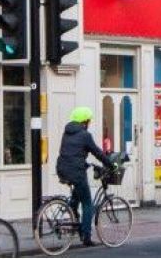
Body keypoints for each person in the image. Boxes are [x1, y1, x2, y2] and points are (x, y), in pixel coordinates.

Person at [56, 106, 112, 248]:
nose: (89, 124)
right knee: (88, 204)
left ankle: (75, 220)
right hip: (76, 172)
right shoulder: (85, 135)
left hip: (63, 169)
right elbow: (97, 152)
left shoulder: (66, 133)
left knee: (76, 198)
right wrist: (110, 164)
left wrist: (85, 164)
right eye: (89, 121)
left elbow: (70, 153)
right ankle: (86, 237)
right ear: (84, 122)